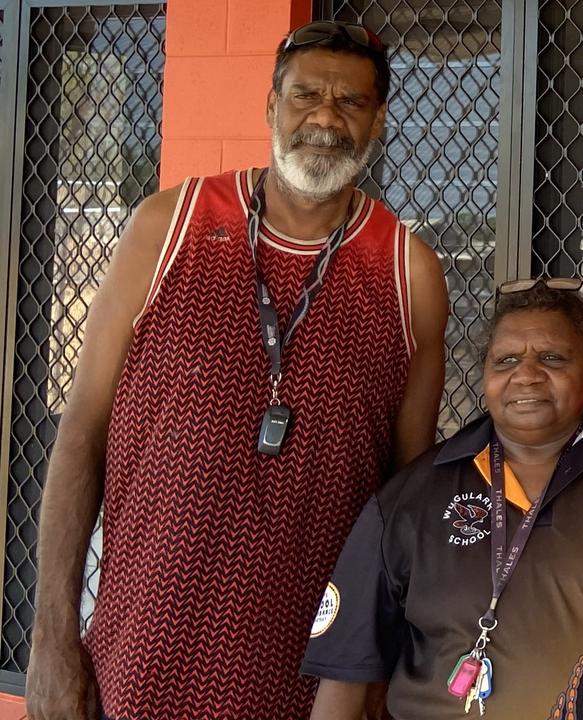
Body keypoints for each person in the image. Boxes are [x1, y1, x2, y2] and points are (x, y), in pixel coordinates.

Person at [26, 21, 449, 720]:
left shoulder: (408, 272)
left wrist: (380, 670)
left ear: (377, 120)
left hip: (308, 679)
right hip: (137, 659)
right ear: (269, 107)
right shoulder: (169, 226)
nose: (324, 117)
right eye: (305, 95)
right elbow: (81, 434)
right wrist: (49, 637)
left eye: (350, 102)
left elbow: (410, 498)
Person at [303, 278, 583, 720]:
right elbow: (346, 669)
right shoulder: (412, 495)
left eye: (552, 358)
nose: (526, 374)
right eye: (506, 360)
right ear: (485, 375)